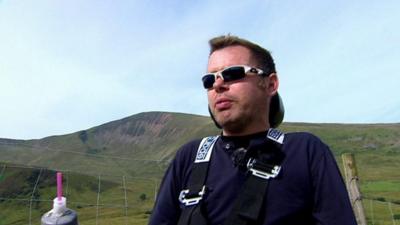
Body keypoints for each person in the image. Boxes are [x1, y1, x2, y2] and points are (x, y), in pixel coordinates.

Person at [148, 35, 357, 225]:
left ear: (271, 84)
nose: (218, 85)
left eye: (232, 73)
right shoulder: (190, 157)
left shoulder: (305, 151)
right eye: (209, 80)